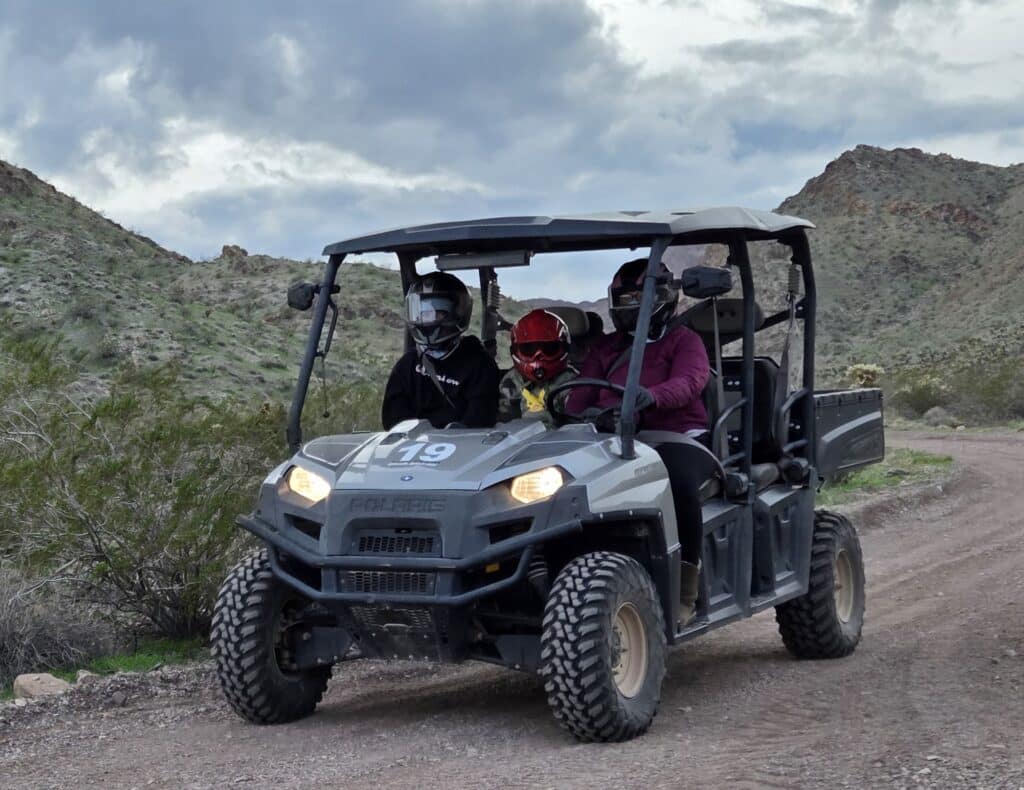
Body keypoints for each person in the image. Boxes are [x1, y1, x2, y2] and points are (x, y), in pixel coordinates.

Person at [566, 257, 715, 622]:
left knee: (677, 484)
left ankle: (685, 590)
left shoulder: (684, 340)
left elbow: (691, 381)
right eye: (626, 300)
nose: (631, 308)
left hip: (676, 437)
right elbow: (579, 396)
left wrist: (653, 396)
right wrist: (585, 412)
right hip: (612, 438)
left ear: (662, 298)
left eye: (640, 299)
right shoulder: (607, 347)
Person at [381, 272, 499, 430]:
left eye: (436, 312)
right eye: (421, 312)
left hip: (465, 449)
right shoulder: (408, 364)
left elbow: (479, 422)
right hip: (412, 448)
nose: (425, 319)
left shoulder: (480, 366)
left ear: (457, 313)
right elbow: (393, 421)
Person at [498, 309, 577, 425]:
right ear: (515, 350)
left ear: (564, 348)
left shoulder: (570, 381)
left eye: (548, 348)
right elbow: (502, 425)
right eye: (529, 349)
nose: (538, 356)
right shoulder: (511, 381)